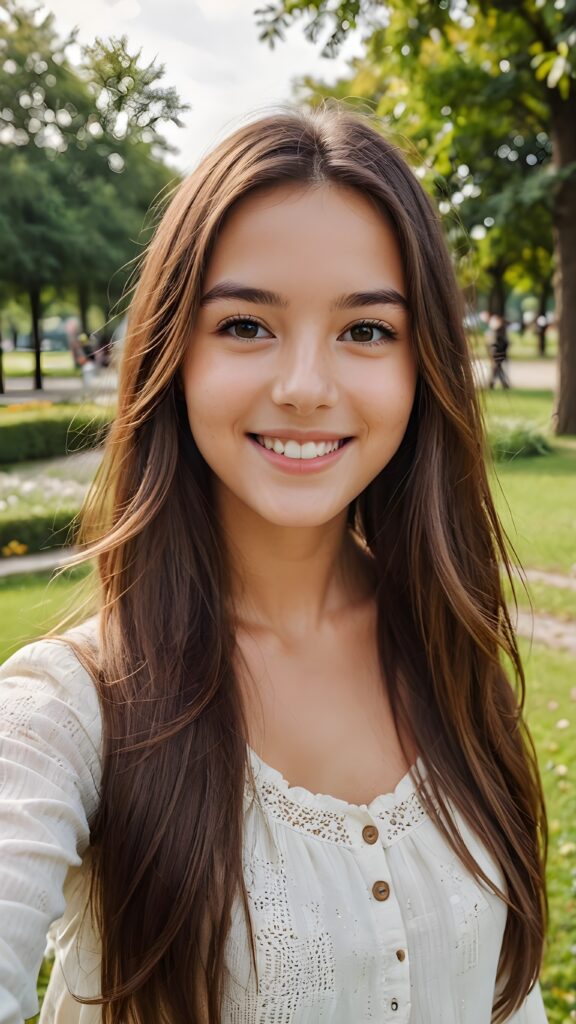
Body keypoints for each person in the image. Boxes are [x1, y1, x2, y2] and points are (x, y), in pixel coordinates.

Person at [0, 106, 548, 1024]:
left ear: (425, 366)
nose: (303, 385)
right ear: (174, 354)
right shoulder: (75, 711)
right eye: (247, 325)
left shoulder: (454, 657)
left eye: (366, 330)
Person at [488, 315, 511, 389]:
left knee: (497, 368)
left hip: (499, 353)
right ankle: (502, 383)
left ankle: (496, 383)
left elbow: (500, 344)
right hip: (499, 353)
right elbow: (502, 344)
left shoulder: (499, 331)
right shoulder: (500, 331)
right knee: (497, 368)